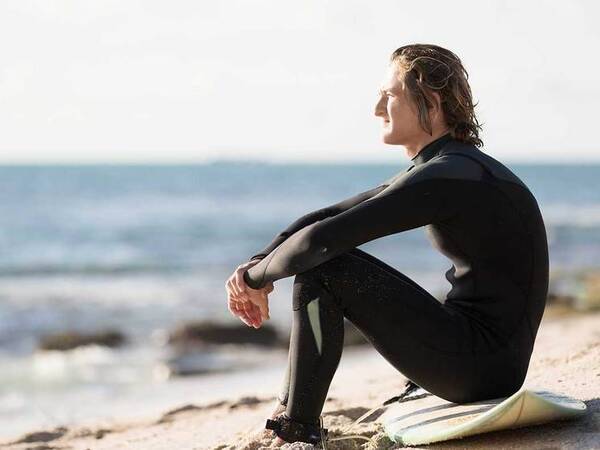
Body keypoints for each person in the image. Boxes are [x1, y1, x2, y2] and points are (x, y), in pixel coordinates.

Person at [225, 43, 549, 446]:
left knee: (324, 268)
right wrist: (254, 264)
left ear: (429, 100)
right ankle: (290, 409)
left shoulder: (448, 175)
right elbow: (324, 218)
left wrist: (254, 279)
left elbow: (320, 242)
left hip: (479, 367)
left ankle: (297, 426)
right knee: (320, 259)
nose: (378, 108)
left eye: (389, 95)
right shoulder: (455, 168)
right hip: (491, 361)